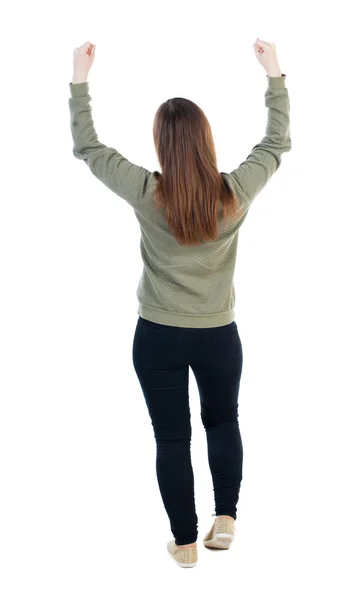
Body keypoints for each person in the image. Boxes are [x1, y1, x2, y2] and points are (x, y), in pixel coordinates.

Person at [69, 37, 291, 568]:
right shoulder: (235, 191)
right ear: (206, 142)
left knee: (172, 438)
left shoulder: (147, 192)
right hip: (219, 336)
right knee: (222, 421)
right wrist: (274, 73)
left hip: (157, 337)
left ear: (161, 145)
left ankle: (186, 544)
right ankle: (227, 518)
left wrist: (79, 79)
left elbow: (90, 149)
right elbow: (276, 143)